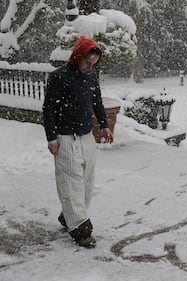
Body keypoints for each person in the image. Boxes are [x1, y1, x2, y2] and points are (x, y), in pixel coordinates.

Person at [43, 36, 113, 248]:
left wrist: (104, 124)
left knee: (85, 181)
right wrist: (52, 138)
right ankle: (81, 229)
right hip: (65, 139)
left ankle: (68, 216)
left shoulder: (91, 76)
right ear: (77, 56)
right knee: (70, 181)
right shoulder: (59, 77)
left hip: (85, 137)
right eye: (86, 62)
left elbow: (97, 101)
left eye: (93, 64)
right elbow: (49, 110)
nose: (89, 67)